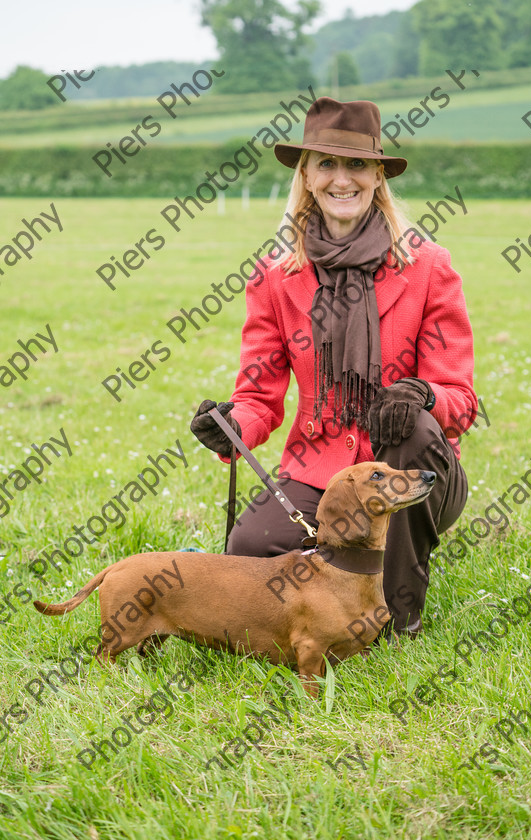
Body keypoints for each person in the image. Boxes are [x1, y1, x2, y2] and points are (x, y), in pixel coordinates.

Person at [191, 97, 477, 638]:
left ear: (377, 177)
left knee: (410, 428)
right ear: (306, 175)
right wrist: (231, 425)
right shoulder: (274, 277)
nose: (340, 179)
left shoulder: (429, 267)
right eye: (326, 164)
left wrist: (422, 395)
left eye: (355, 165)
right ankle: (328, 590)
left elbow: (460, 397)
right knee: (250, 548)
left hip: (415, 474)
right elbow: (259, 396)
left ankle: (398, 614)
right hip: (320, 474)